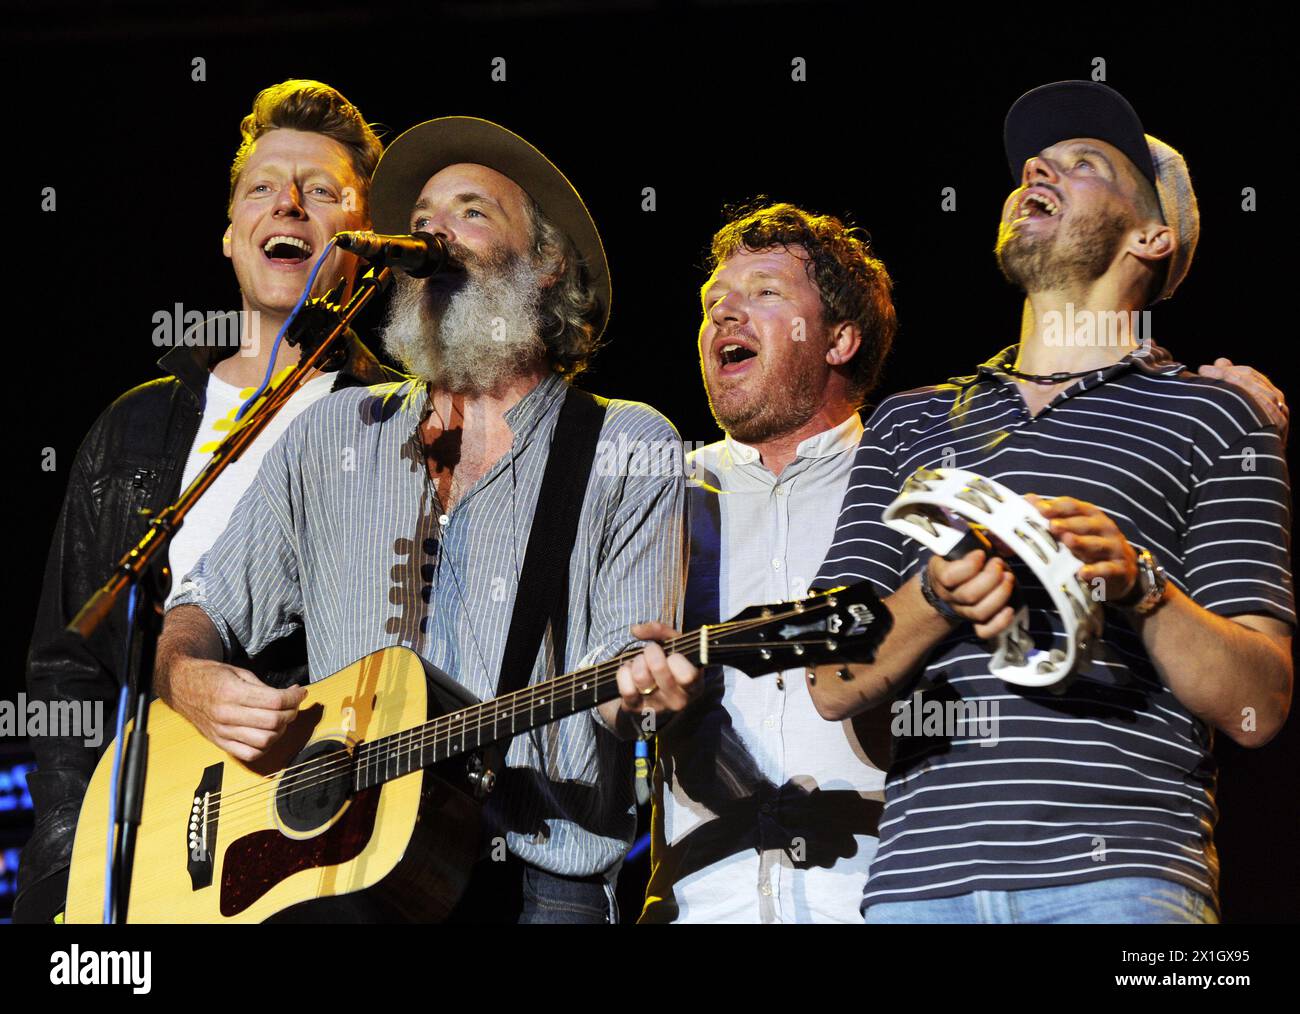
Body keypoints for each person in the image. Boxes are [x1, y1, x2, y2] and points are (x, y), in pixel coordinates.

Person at [156, 116, 693, 924]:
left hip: (538, 887)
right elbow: (202, 606)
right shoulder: (332, 433)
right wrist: (188, 676)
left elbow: (624, 680)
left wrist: (642, 688)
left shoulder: (626, 443)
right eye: (418, 226)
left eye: (471, 211)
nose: (433, 233)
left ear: (547, 264)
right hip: (336, 877)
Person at [807, 80, 1292, 923]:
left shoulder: (1218, 414)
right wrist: (934, 594)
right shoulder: (908, 420)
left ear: (1153, 235)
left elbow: (1260, 704)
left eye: (1084, 162)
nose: (1038, 166)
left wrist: (1141, 586)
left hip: (1125, 884)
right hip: (920, 888)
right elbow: (830, 678)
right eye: (1035, 161)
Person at [15, 79, 397, 924]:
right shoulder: (135, 428)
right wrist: (60, 868)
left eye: (322, 193)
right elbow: (66, 666)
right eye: (262, 188)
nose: (288, 203)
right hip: (130, 867)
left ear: (367, 244)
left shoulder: (403, 422)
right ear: (231, 235)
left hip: (306, 864)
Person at [635, 202, 899, 923]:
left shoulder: (907, 485)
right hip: (703, 903)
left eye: (765, 294)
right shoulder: (658, 497)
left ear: (840, 337)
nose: (726, 315)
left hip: (881, 898)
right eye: (713, 304)